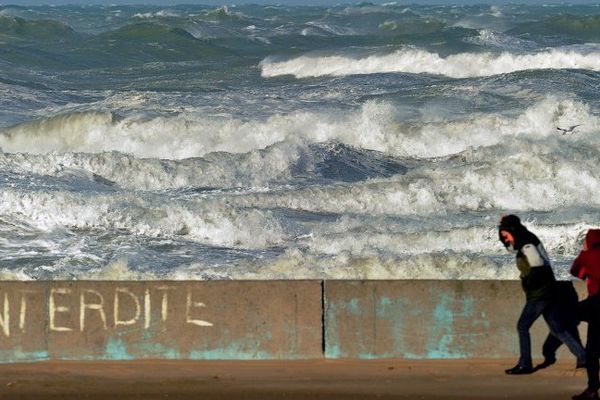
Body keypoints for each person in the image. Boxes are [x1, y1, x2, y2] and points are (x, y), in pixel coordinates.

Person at [498, 215, 586, 375]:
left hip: (540, 293)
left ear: (512, 230)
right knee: (558, 328)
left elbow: (537, 264)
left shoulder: (527, 244)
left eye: (505, 234)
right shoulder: (525, 239)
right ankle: (583, 357)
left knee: (522, 326)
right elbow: (513, 247)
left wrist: (530, 282)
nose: (505, 238)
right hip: (548, 290)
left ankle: (525, 364)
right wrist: (503, 233)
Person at [571, 229, 600, 400]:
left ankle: (592, 390)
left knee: (592, 351)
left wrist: (584, 252)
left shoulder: (588, 256)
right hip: (595, 307)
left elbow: (575, 271)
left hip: (596, 306)